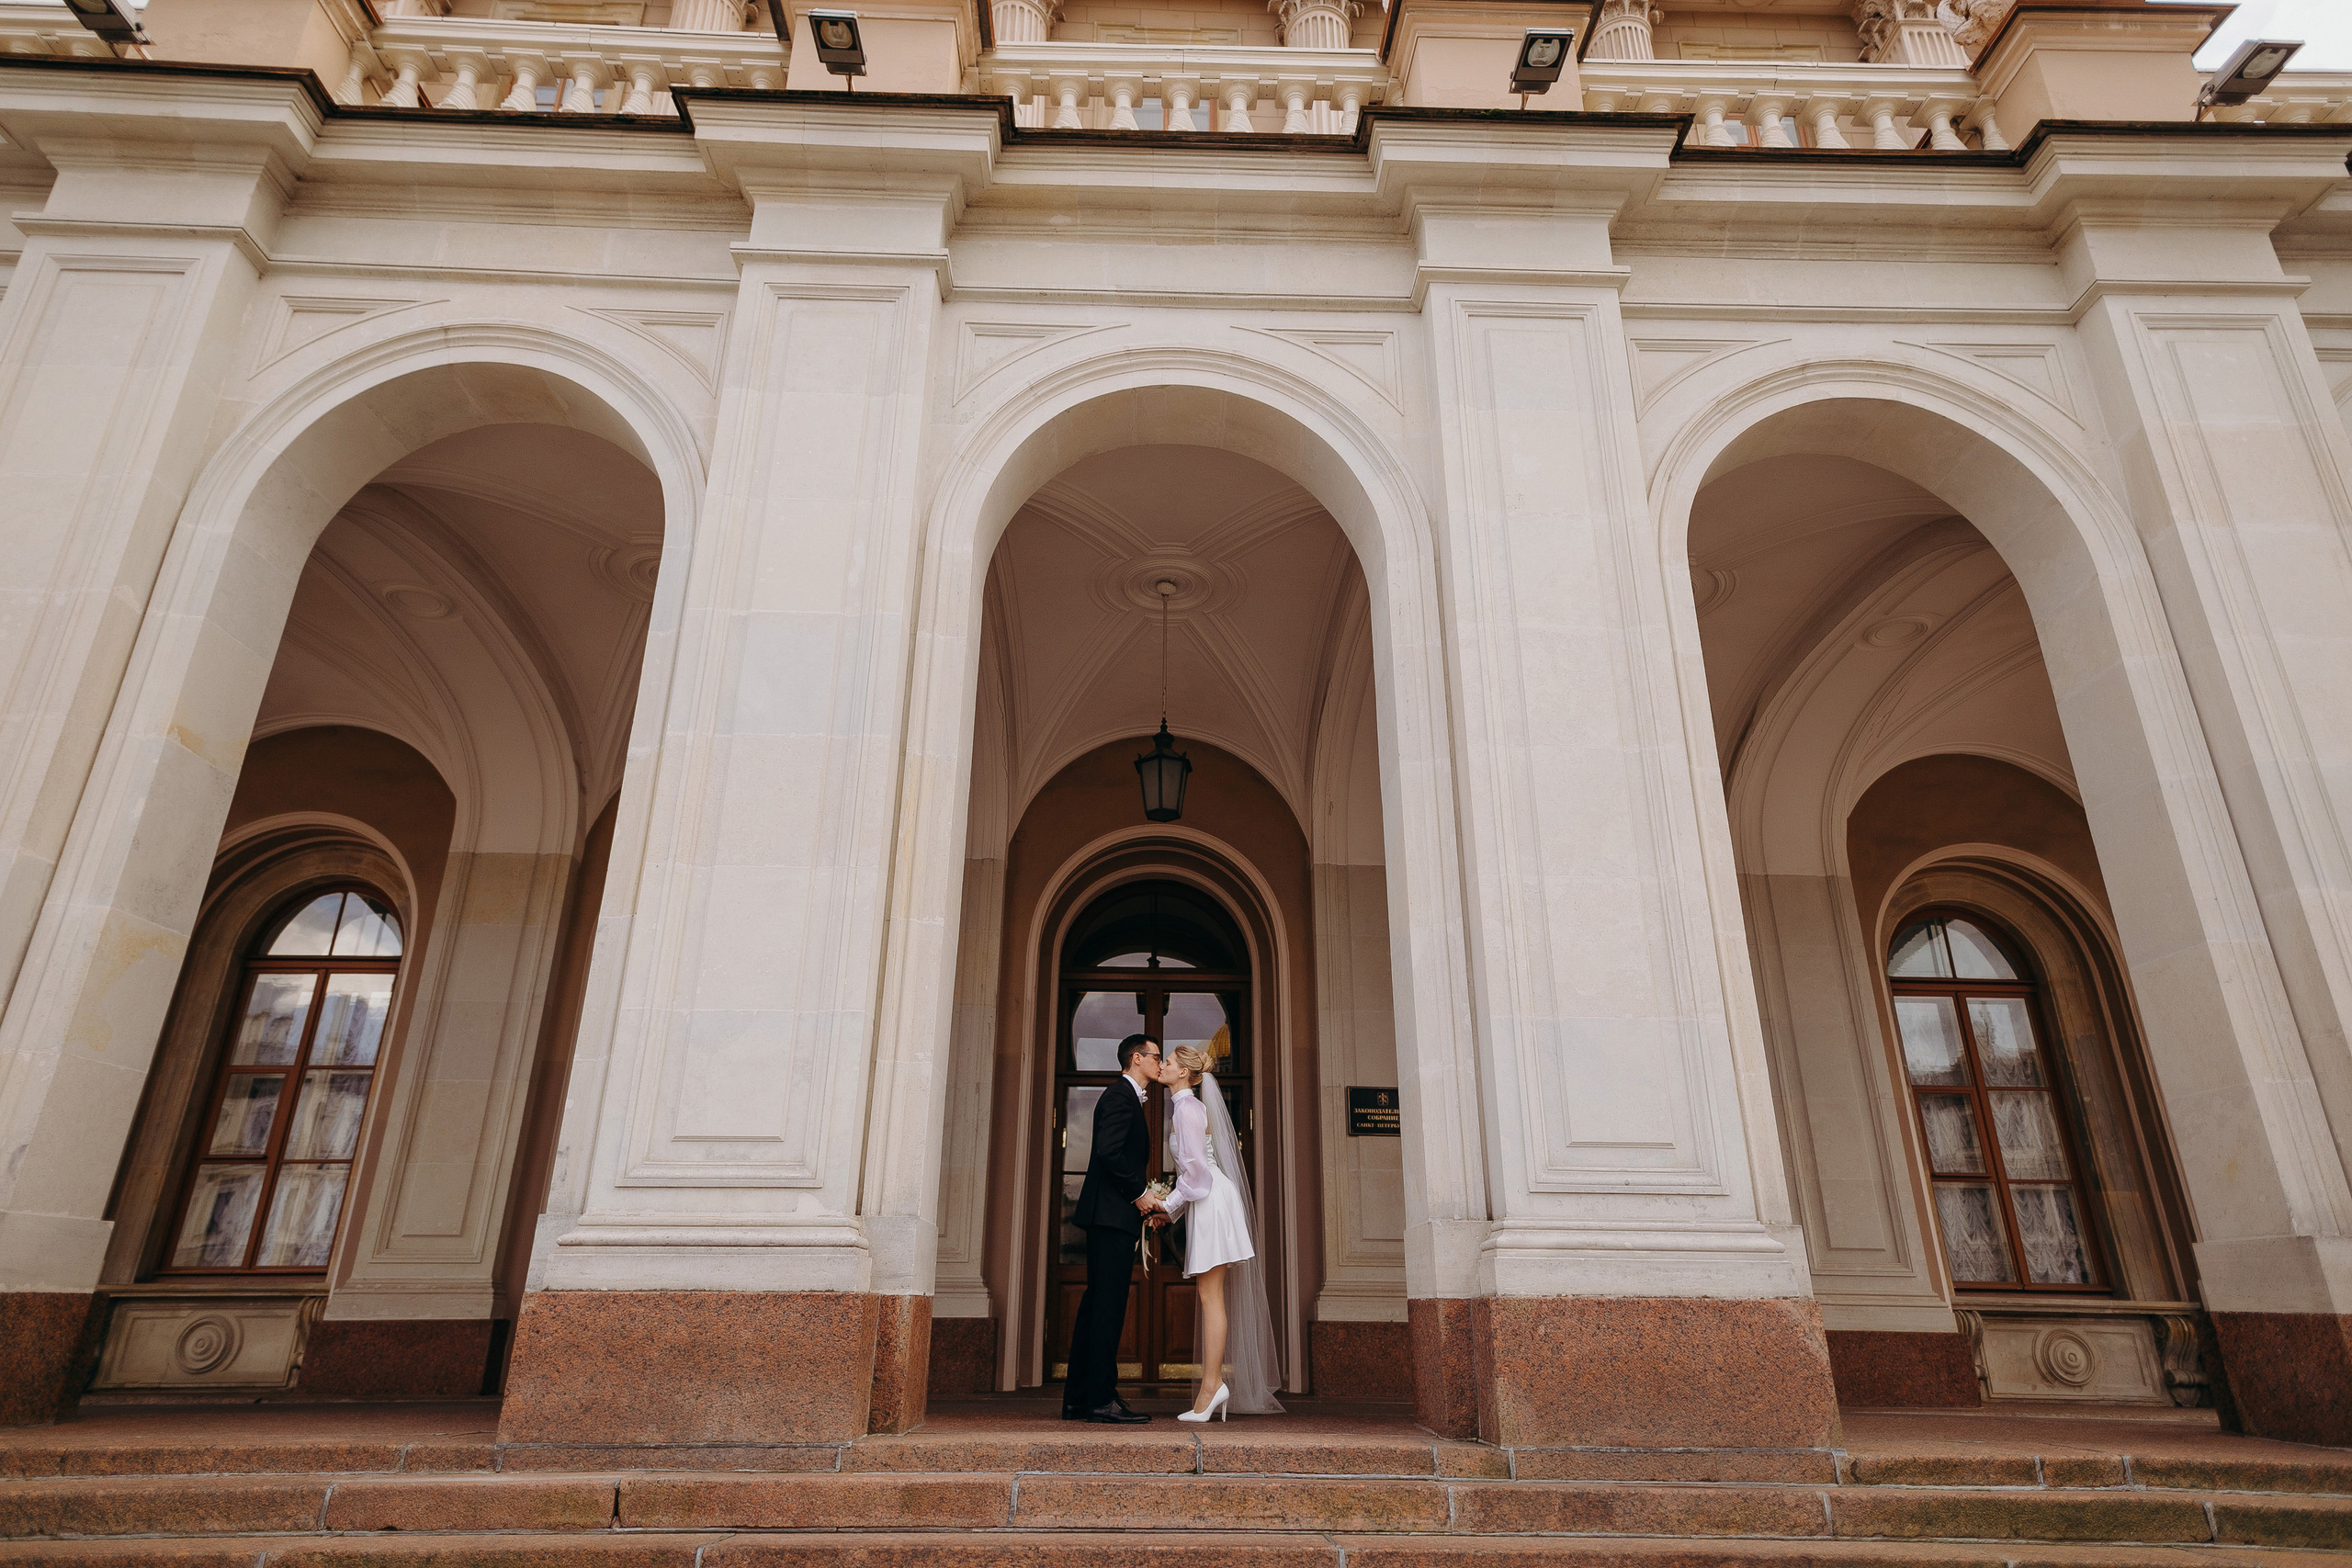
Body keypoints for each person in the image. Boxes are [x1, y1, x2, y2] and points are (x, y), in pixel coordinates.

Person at [1140, 1042, 1284, 1419]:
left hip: (1212, 1201)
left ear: (1184, 1073)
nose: (1162, 1066)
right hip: (1210, 1200)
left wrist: (1167, 1206)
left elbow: (1198, 1177)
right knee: (1211, 1295)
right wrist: (1170, 1213)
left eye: (1167, 1062)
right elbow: (1195, 1176)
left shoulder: (1186, 1108)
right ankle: (1211, 1387)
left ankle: (1211, 1387)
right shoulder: (1187, 1106)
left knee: (1210, 1296)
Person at [1061, 1032, 1161, 1424]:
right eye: (1155, 1057)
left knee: (1095, 1308)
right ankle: (1100, 1399)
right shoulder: (1120, 1096)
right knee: (1107, 1309)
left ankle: (1079, 1399)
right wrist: (1139, 1193)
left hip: (1108, 1216)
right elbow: (1109, 1151)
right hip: (1111, 1216)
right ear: (1137, 1058)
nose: (1158, 1063)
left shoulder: (1121, 1096)